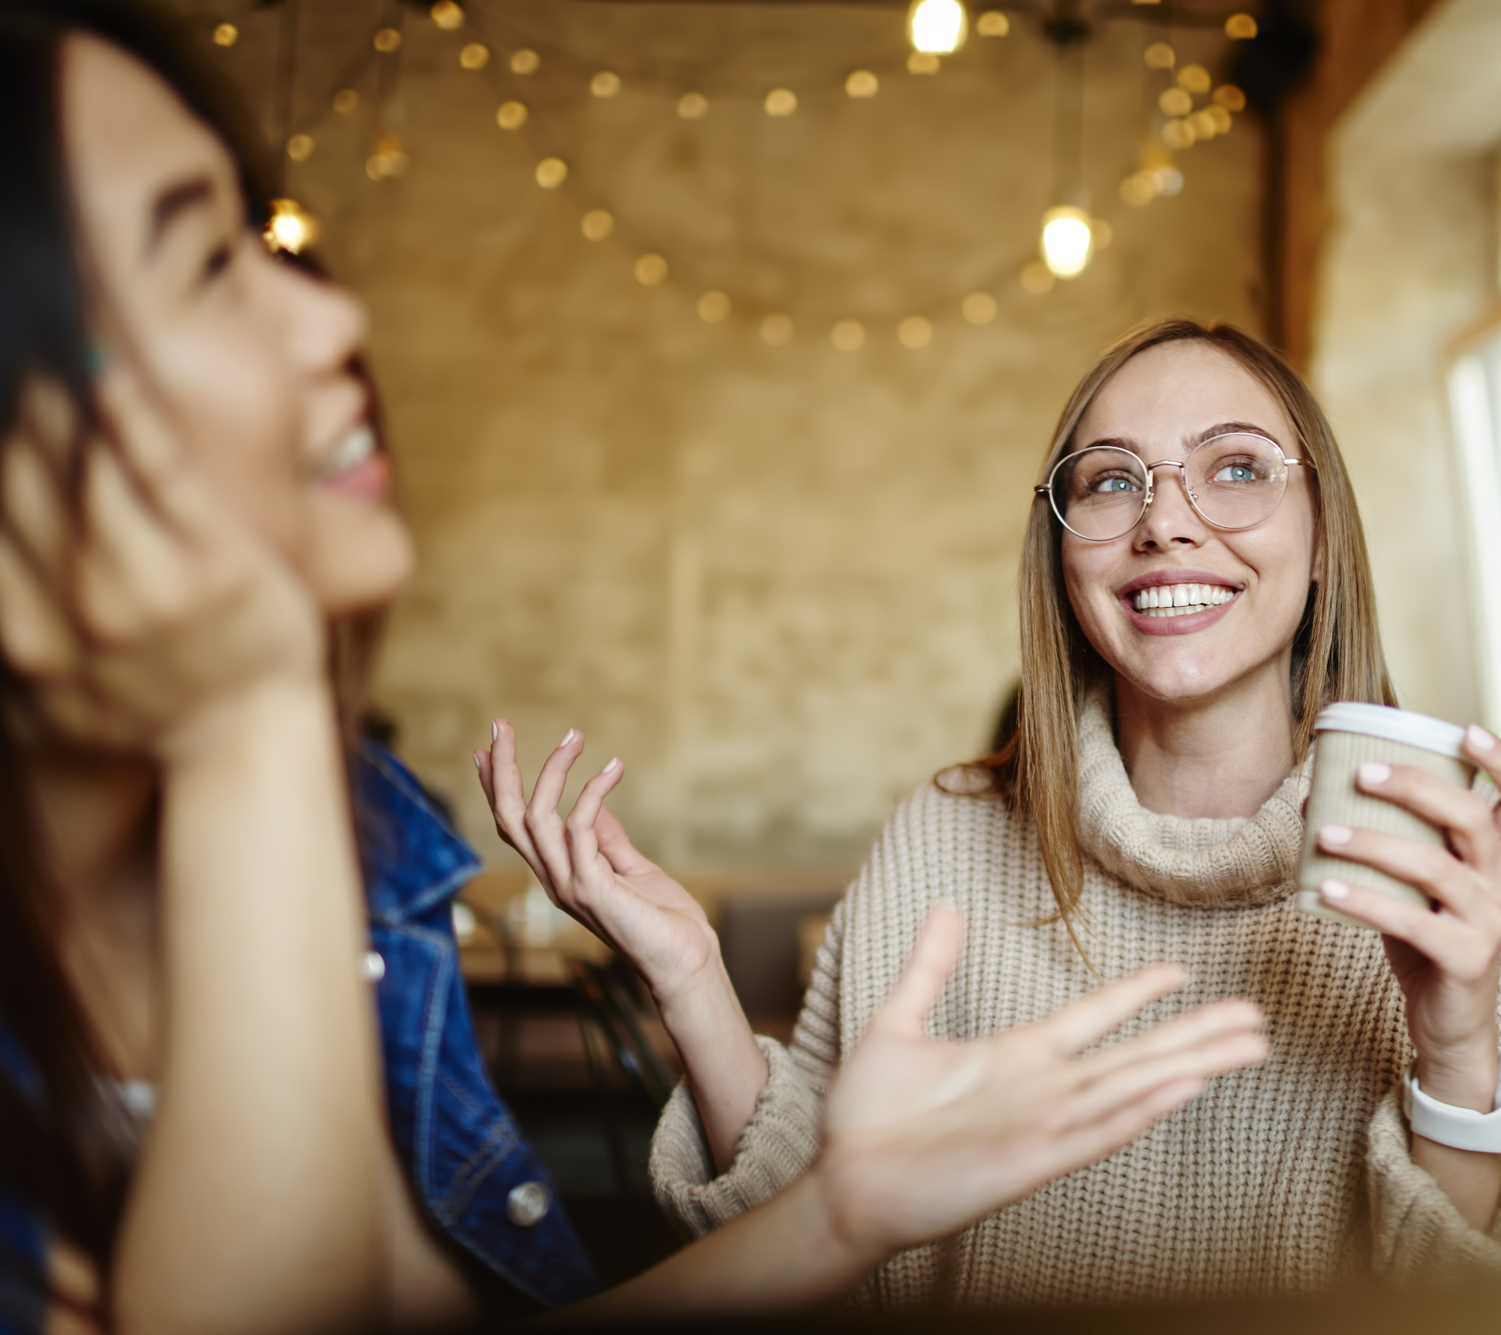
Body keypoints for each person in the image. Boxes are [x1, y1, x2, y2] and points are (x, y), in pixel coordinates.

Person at [0, 4, 1271, 1331]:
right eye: (208, 261)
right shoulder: (306, 795)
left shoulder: (362, 830)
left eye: (1238, 470)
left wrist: (838, 1208)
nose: (329, 315)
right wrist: (248, 717)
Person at [489, 318, 1501, 1307]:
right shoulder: (945, 835)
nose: (1165, 523)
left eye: (1234, 469)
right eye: (1111, 480)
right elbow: (807, 1236)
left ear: (1323, 536)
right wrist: (691, 978)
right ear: (1064, 555)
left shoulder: (1494, 872)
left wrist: (1452, 1046)